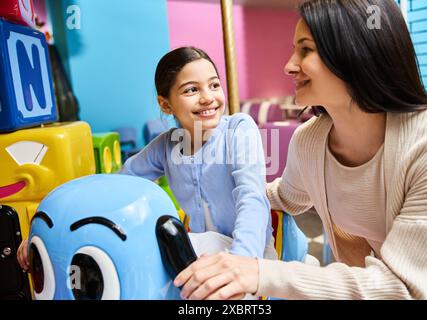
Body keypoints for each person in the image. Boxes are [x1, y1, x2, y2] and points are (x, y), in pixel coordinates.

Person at [173, 0, 427, 300]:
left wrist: (258, 273)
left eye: (306, 50)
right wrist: (206, 203)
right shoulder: (310, 141)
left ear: (355, 53)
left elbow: (400, 287)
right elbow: (283, 196)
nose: (289, 65)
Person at [17, 47, 277, 273]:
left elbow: (251, 198)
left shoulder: (239, 129)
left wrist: (240, 263)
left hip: (249, 255)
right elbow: (111, 189)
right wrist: (45, 232)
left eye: (214, 85)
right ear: (165, 105)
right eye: (191, 89)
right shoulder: (166, 146)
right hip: (201, 252)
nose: (208, 97)